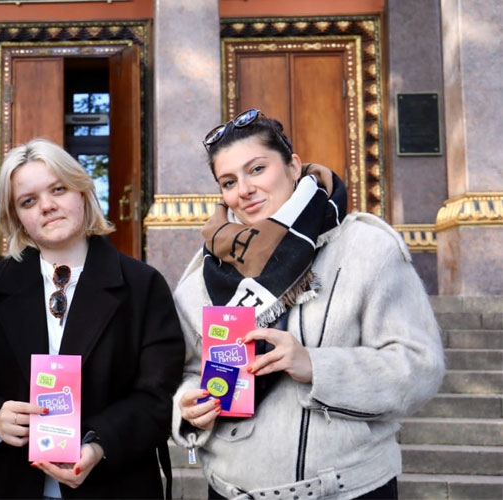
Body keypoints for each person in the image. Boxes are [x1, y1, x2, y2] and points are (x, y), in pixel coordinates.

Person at [171, 109, 445, 500]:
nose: (244, 190)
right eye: (229, 181)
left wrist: (316, 366)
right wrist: (188, 405)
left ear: (293, 166)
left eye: (257, 169)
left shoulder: (366, 247)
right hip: (231, 490)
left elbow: (419, 367)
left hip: (347, 492)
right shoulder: (204, 273)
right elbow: (187, 370)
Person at [0, 138, 185, 498]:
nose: (47, 206)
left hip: (112, 486)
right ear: (17, 218)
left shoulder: (142, 286)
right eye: (28, 201)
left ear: (82, 192)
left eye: (58, 189)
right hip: (4, 484)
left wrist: (99, 444)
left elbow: (157, 395)